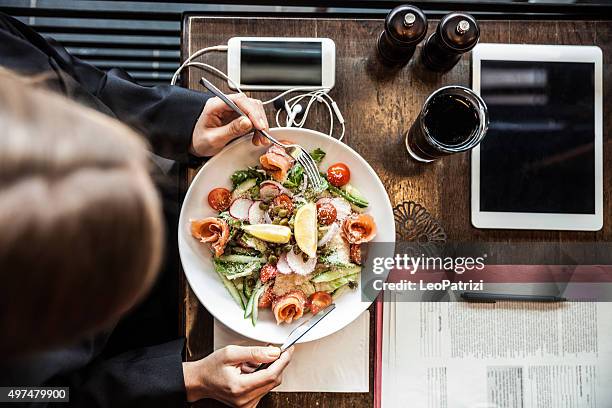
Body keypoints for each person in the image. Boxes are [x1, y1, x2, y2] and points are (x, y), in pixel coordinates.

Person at [0, 11, 292, 408]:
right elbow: (32, 398)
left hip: (184, 209)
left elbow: (76, 80)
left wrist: (180, 122)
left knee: (399, 281)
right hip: (134, 345)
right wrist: (185, 380)